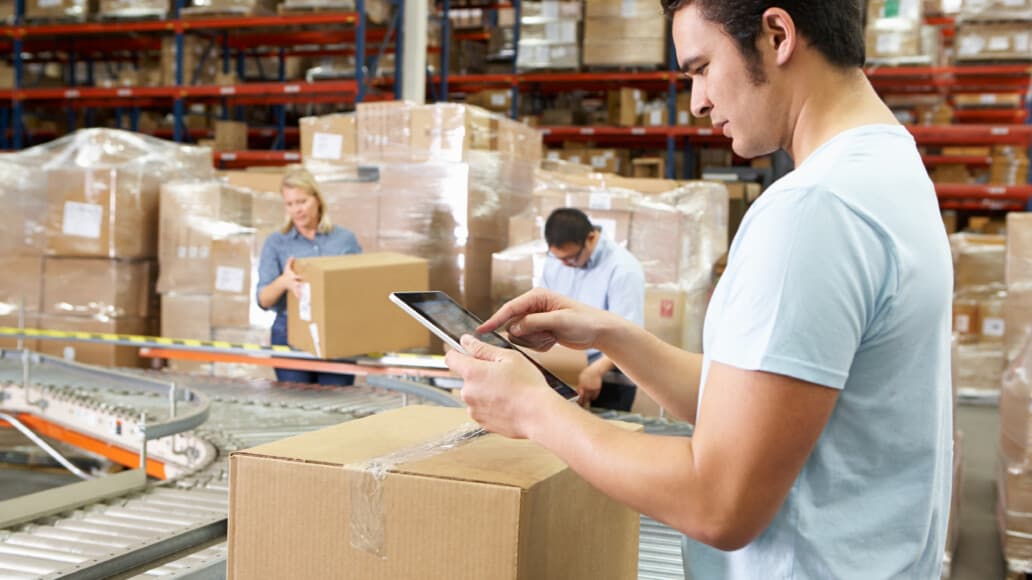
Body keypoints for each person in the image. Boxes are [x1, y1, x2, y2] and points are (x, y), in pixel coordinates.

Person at [445, 2, 953, 578]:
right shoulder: (886, 165)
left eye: (702, 67)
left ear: (778, 34)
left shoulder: (813, 210)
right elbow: (766, 410)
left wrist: (533, 410)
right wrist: (614, 334)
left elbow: (719, 502)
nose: (698, 101)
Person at [256, 168, 362, 385]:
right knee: (299, 408)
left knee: (337, 405)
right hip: (289, 332)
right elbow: (263, 300)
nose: (297, 210)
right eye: (290, 204)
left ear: (317, 200)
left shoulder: (344, 240)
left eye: (302, 202)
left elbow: (361, 287)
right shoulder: (277, 242)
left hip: (337, 331)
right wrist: (283, 282)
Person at [540, 208, 645, 410]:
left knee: (607, 435)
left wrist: (596, 370)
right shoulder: (555, 261)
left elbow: (629, 336)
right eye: (558, 258)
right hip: (565, 366)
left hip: (608, 370)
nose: (565, 265)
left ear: (590, 238)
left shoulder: (623, 269)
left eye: (571, 258)